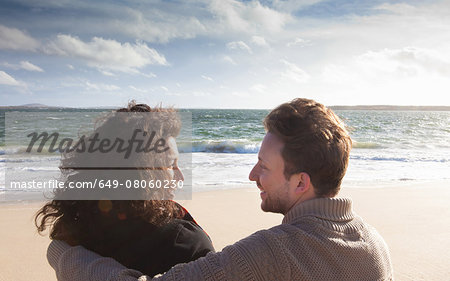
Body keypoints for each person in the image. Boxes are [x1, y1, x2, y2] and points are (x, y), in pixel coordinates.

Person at [47, 98, 393, 280]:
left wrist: (64, 254)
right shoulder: (376, 246)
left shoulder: (269, 254)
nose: (252, 174)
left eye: (265, 166)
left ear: (301, 182)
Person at [36, 102, 214, 277]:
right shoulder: (183, 242)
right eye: (170, 165)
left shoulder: (80, 227)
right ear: (141, 171)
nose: (180, 177)